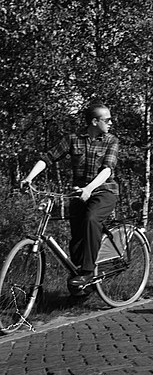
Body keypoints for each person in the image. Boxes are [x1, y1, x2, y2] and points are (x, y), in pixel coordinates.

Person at [21, 103, 119, 287]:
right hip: (79, 194)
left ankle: (88, 272)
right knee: (76, 242)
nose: (111, 123)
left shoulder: (111, 140)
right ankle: (79, 286)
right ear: (94, 121)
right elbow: (48, 158)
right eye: (107, 120)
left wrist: (90, 188)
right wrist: (29, 178)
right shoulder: (73, 139)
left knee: (91, 219)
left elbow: (107, 170)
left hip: (104, 190)